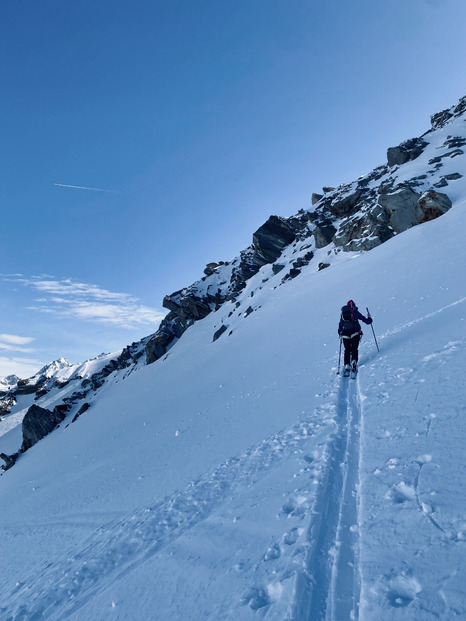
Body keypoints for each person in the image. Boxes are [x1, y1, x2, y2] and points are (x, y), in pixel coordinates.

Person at [338, 300, 372, 374]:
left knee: (347, 349)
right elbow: (364, 320)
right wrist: (369, 320)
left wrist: (340, 331)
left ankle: (347, 364)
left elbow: (341, 324)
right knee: (354, 348)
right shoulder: (355, 312)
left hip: (345, 334)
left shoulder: (343, 314)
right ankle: (354, 361)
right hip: (355, 333)